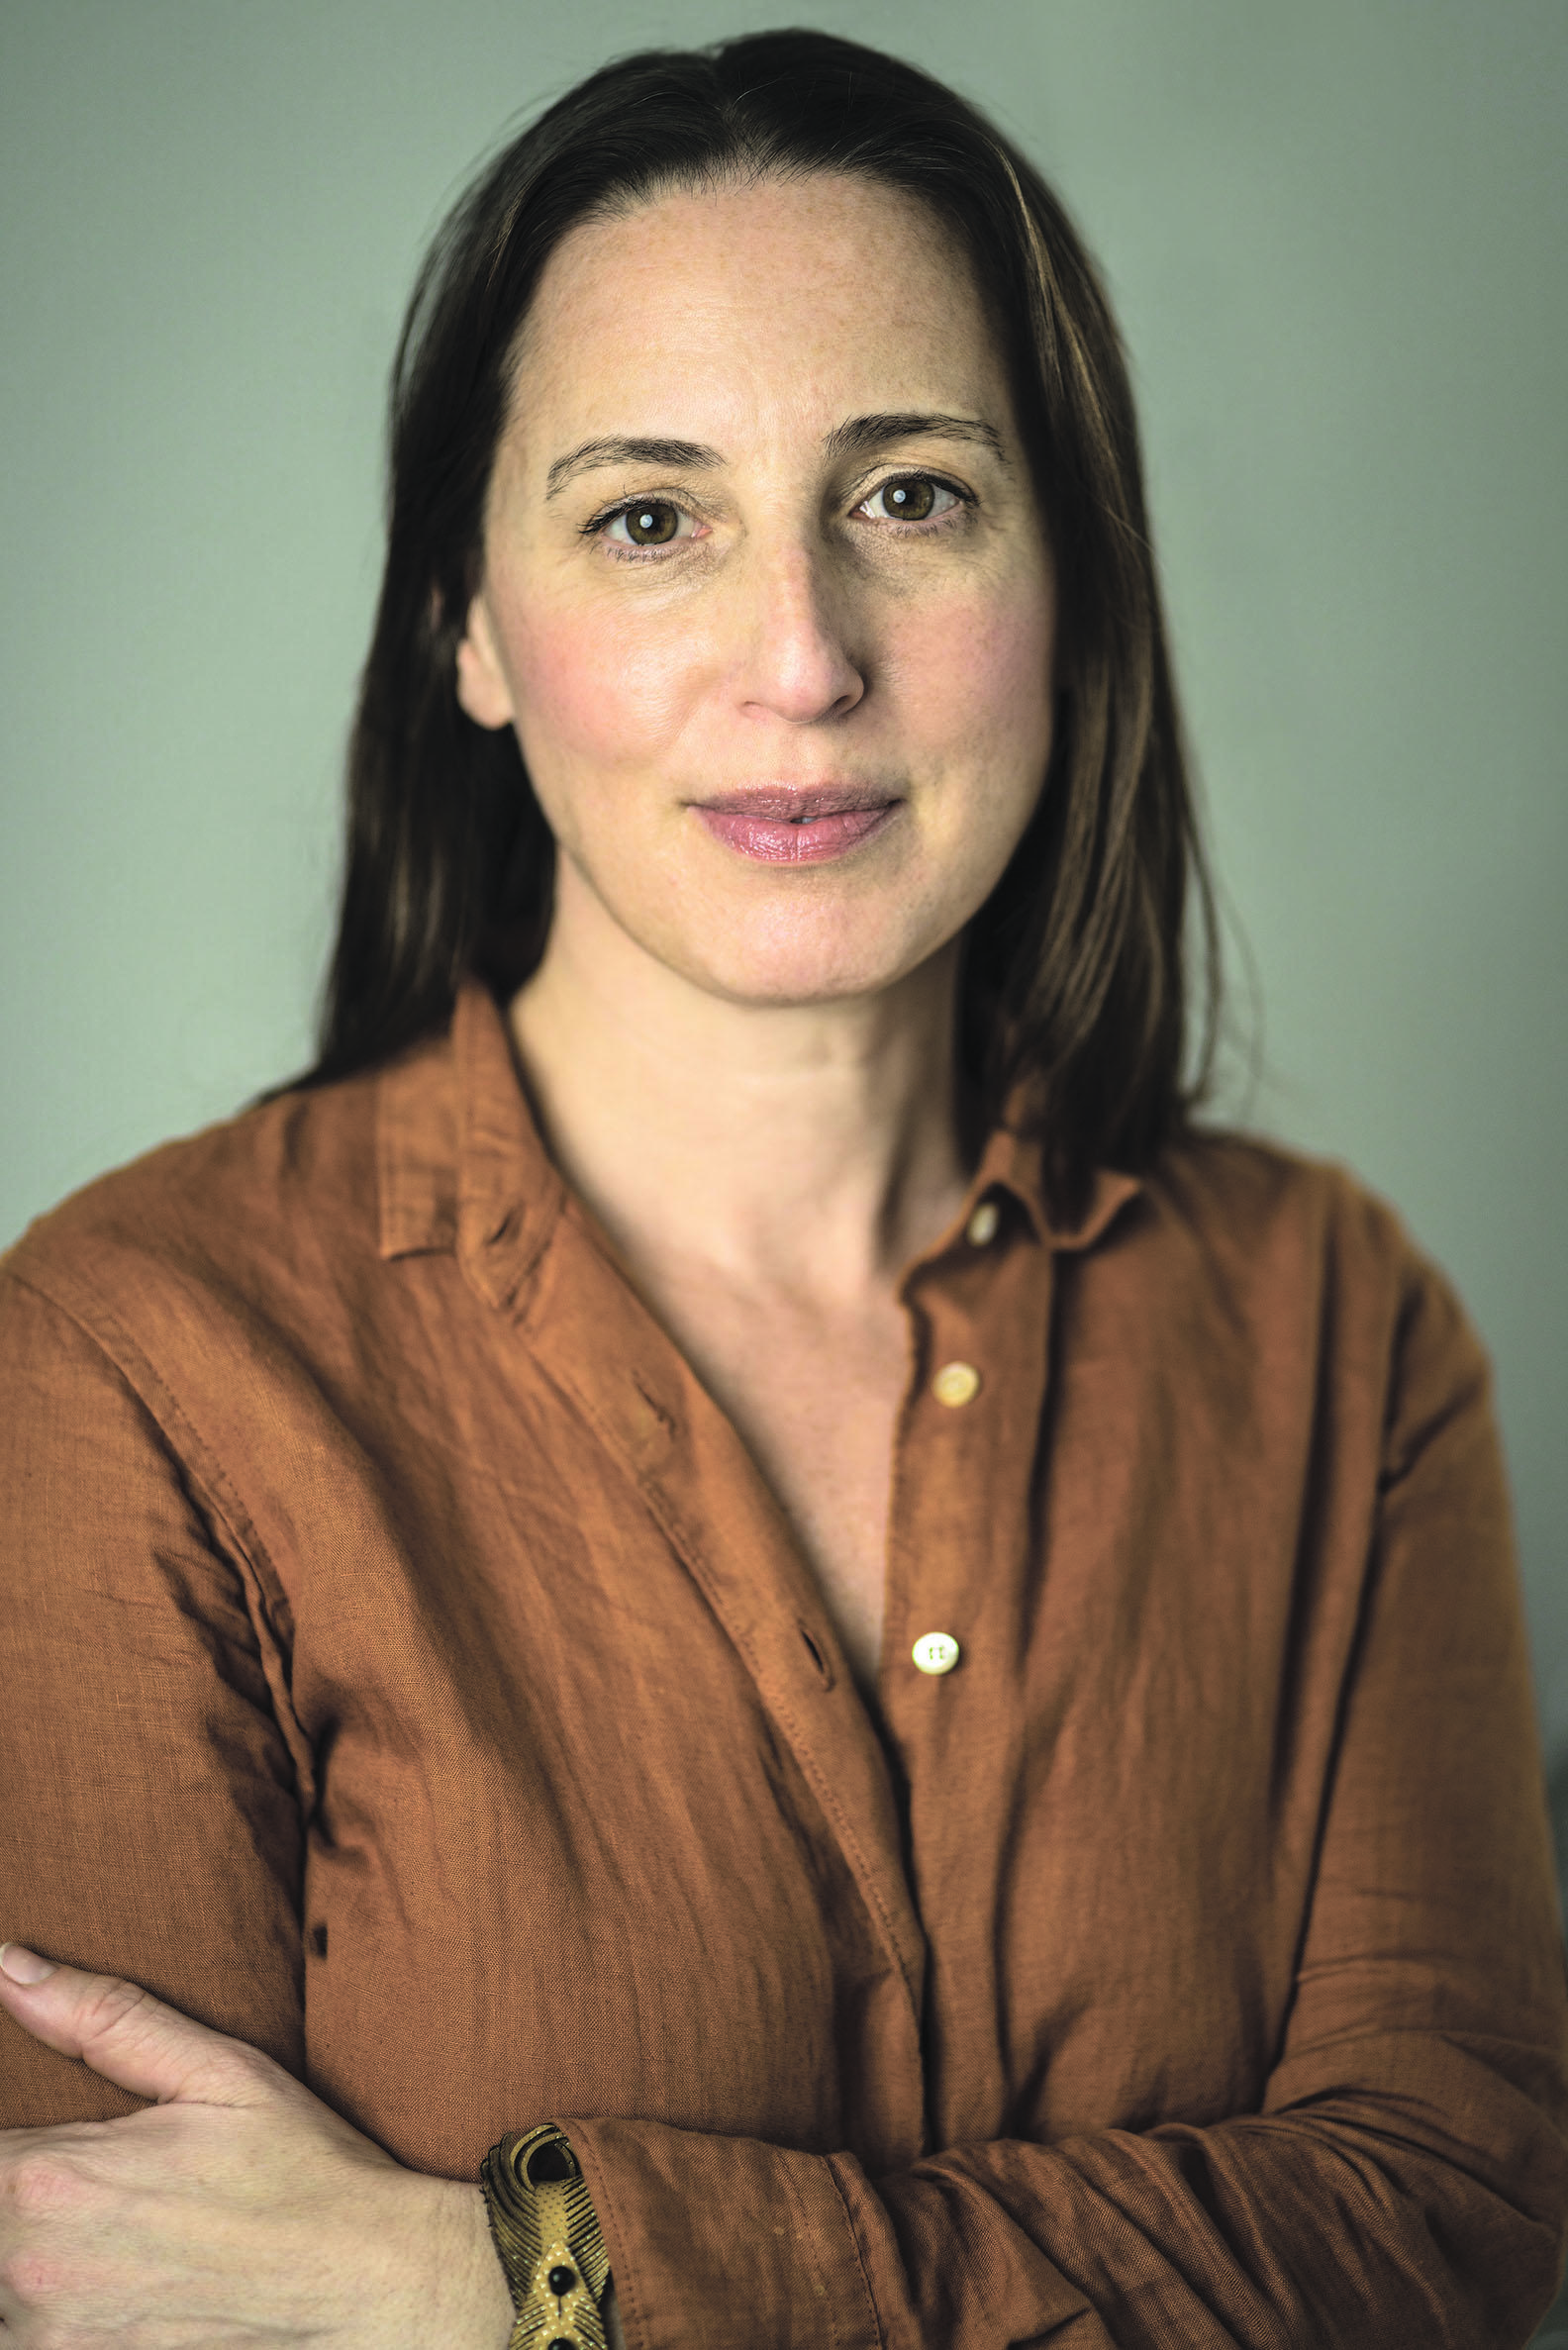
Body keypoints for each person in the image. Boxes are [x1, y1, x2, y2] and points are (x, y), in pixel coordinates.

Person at [0, 26, 1564, 2349]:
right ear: (472, 628)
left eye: (911, 495)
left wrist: (530, 2277)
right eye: (652, 517)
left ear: (1077, 570)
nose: (805, 658)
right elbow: (124, 2295)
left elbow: (1453, 2219)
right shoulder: (126, 1363)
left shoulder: (1342, 1328)